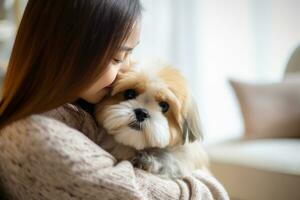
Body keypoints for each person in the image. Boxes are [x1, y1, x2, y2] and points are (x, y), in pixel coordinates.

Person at [0, 0, 229, 199]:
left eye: (130, 54)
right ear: (70, 53)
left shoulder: (81, 106)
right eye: (117, 57)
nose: (126, 68)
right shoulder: (39, 138)